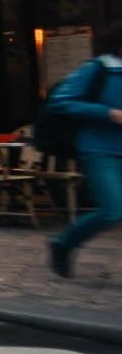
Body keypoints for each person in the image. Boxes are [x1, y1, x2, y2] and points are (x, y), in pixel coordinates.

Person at [48, 19, 122, 278]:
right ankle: (64, 243)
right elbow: (60, 101)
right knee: (113, 210)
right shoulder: (97, 69)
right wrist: (108, 114)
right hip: (101, 149)